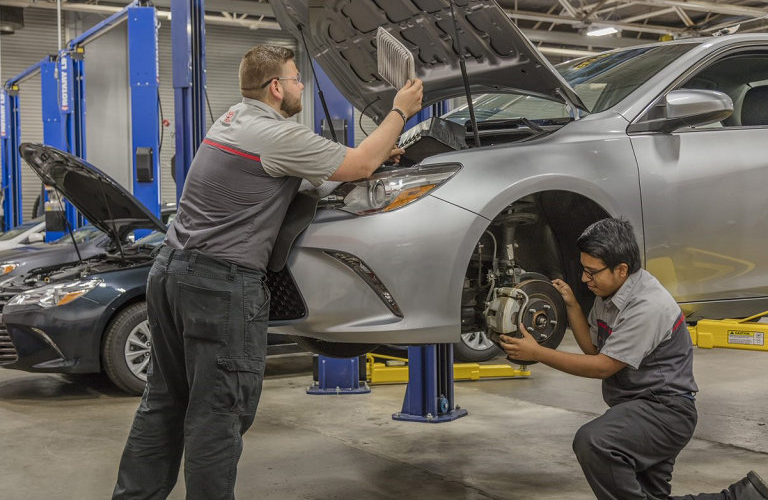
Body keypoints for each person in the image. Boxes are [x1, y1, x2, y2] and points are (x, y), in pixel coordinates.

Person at [112, 44, 423, 499]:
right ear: (276, 88)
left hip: (170, 272)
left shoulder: (233, 121)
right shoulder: (274, 135)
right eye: (297, 79)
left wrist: (374, 156)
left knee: (163, 403)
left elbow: (324, 170)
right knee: (218, 415)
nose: (301, 85)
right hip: (218, 285)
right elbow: (357, 163)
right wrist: (399, 111)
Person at [500, 217, 768, 500]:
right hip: (637, 408)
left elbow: (603, 367)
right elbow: (594, 349)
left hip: (664, 413)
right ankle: (745, 497)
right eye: (583, 270)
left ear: (621, 269)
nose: (584, 279)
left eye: (592, 272)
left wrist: (538, 353)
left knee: (594, 442)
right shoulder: (609, 293)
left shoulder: (647, 306)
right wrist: (574, 307)